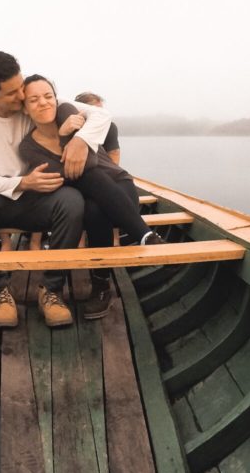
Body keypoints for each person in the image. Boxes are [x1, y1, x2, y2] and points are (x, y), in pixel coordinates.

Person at [0, 50, 113, 329]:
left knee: (72, 200)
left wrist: (80, 141)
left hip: (38, 202)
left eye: (21, 86)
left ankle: (51, 289)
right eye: (12, 93)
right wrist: (22, 182)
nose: (22, 96)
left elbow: (100, 115)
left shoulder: (35, 102)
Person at [20, 75, 163, 319]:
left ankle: (138, 241)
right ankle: (136, 246)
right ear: (24, 107)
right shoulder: (27, 147)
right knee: (92, 207)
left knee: (91, 189)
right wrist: (66, 140)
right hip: (87, 199)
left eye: (48, 96)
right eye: (33, 99)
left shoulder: (67, 111)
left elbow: (90, 161)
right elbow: (61, 175)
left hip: (119, 189)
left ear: (56, 98)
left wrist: (71, 137)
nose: (43, 103)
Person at [75, 91, 120, 164]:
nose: (101, 115)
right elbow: (114, 155)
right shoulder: (71, 126)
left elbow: (114, 155)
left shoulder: (109, 127)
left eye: (102, 111)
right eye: (97, 111)